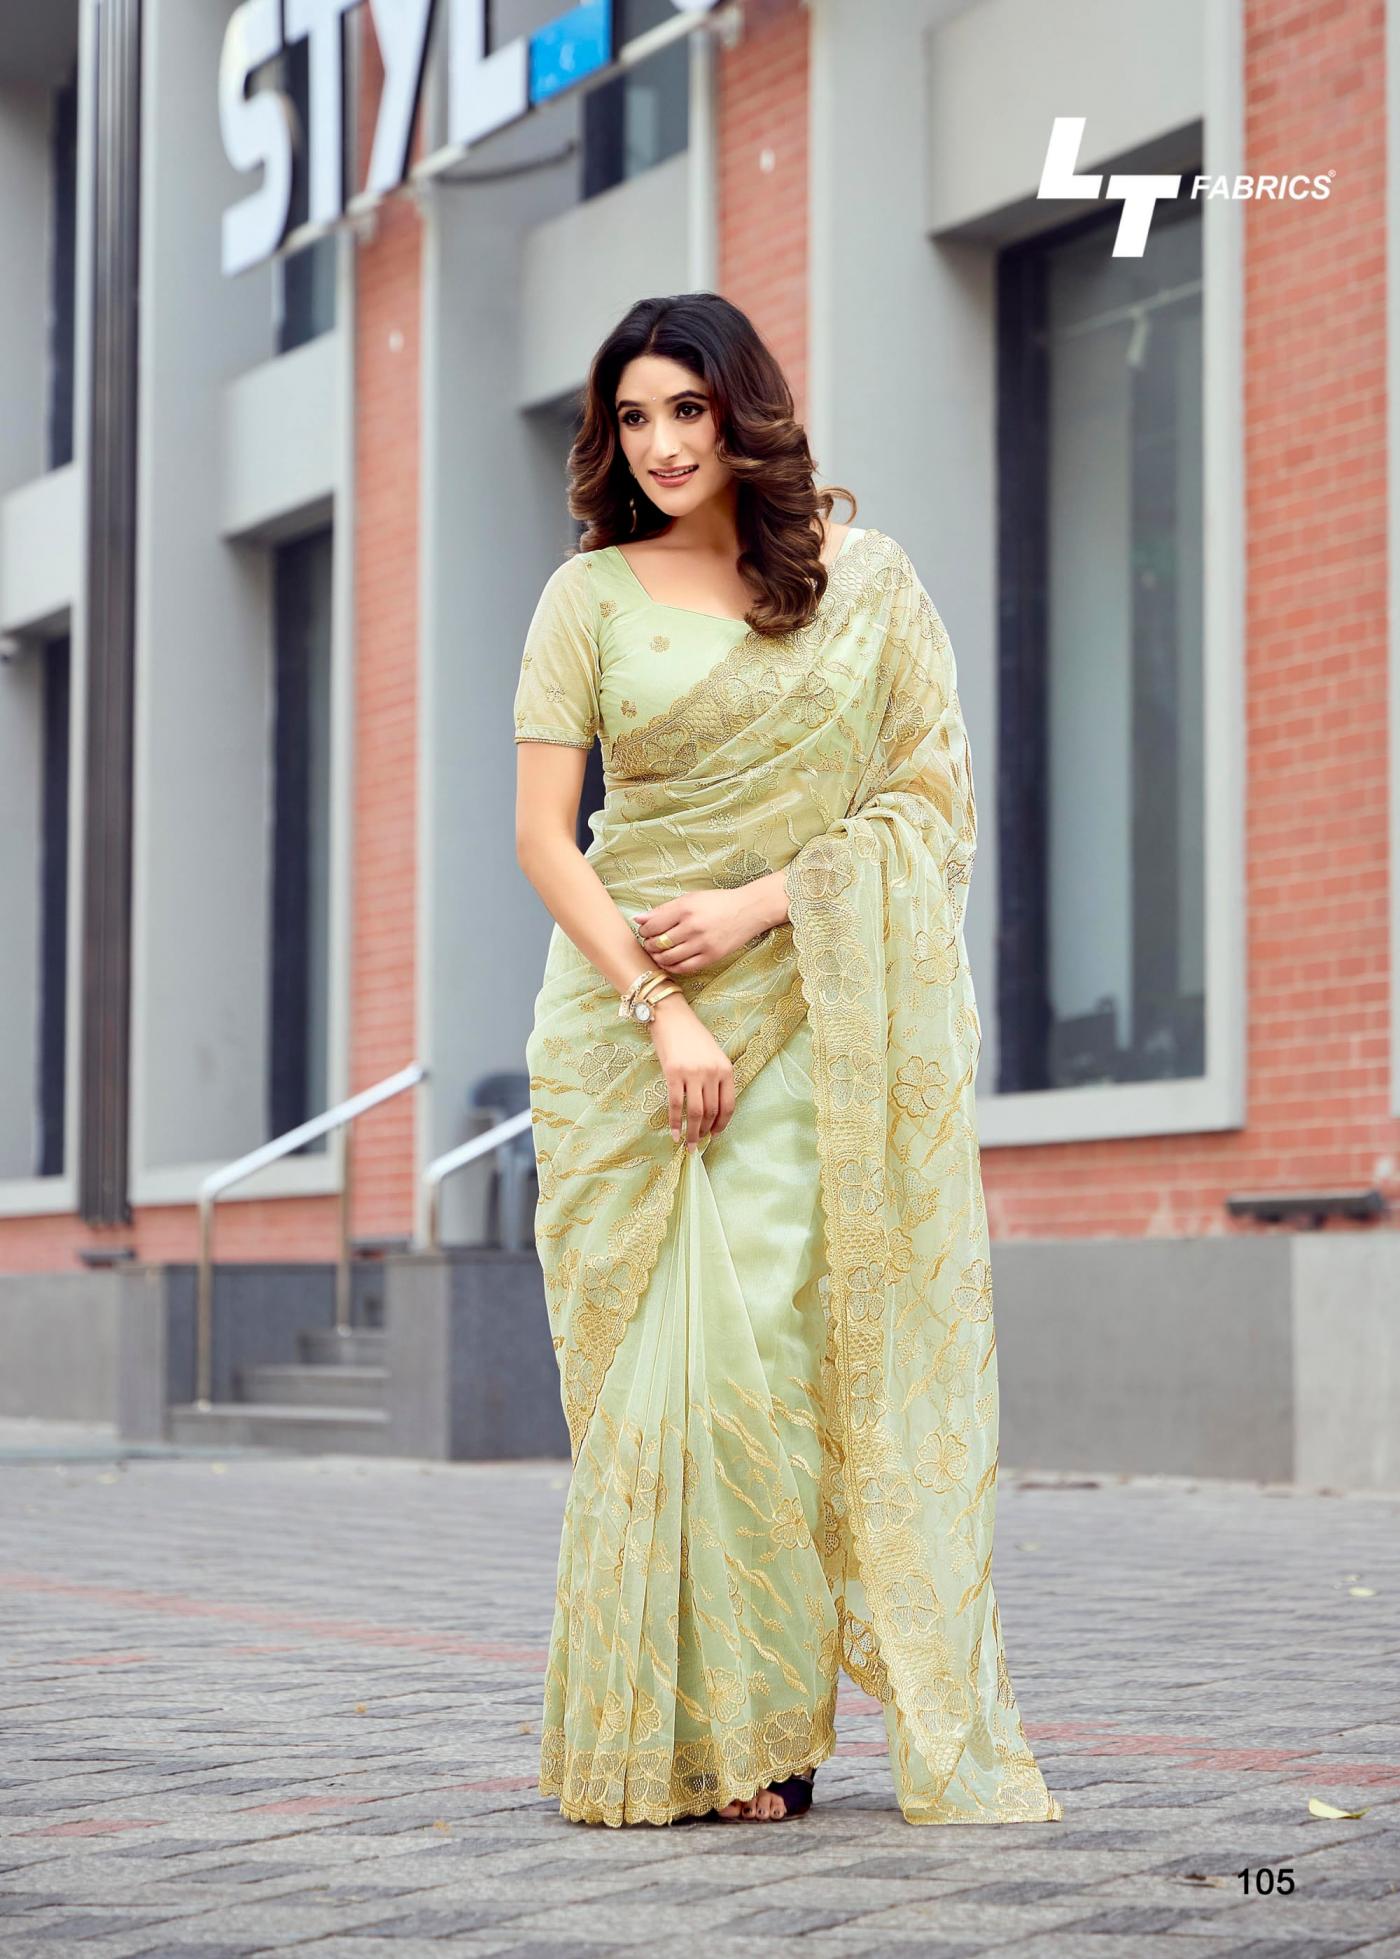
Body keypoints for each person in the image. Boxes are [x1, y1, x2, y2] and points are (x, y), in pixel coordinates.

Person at [513, 291, 1062, 1831]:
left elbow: (922, 806)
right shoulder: (585, 599)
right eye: (634, 417)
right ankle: (679, 1729)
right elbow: (546, 843)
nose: (663, 443)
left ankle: (764, 1738)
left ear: (742, 412)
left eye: (687, 408)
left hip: (802, 1012)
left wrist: (763, 905)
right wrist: (659, 1006)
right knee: (653, 1393)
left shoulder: (859, 586)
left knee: (759, 1369)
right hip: (624, 1031)